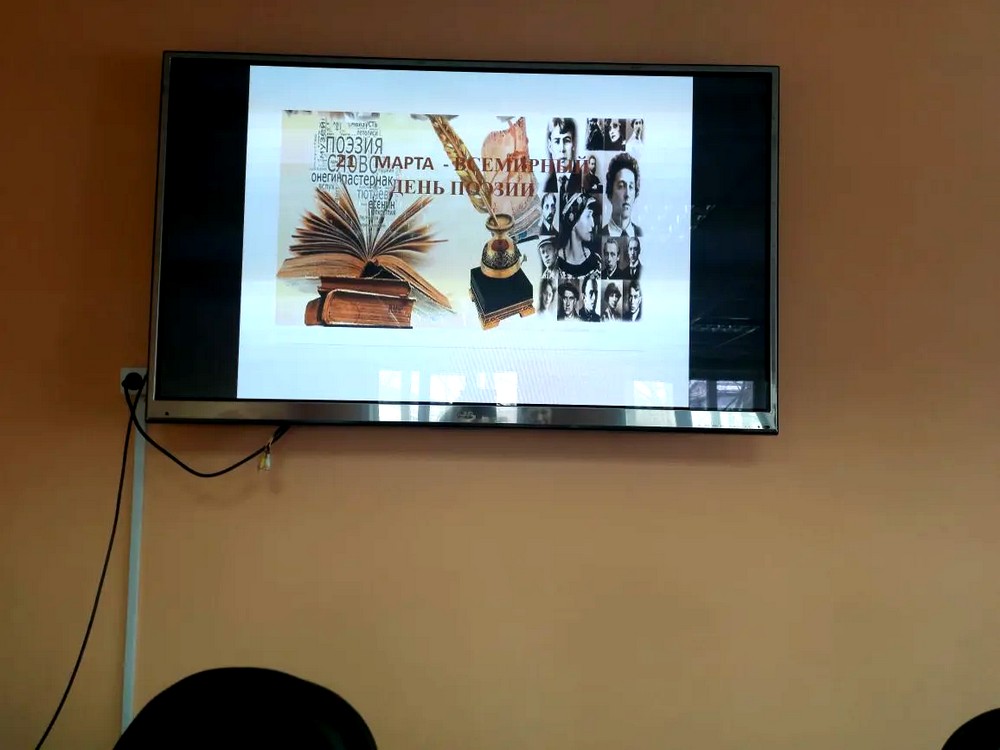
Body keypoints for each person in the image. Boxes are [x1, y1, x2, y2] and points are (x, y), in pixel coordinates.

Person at [555, 194, 601, 278]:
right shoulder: (555, 263)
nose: (593, 224)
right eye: (588, 216)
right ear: (574, 221)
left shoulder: (596, 261)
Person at [601, 152, 642, 238]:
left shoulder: (640, 234)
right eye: (621, 186)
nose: (627, 195)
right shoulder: (599, 236)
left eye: (631, 187)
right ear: (610, 193)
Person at [542, 118, 582, 197]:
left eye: (566, 141)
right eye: (557, 141)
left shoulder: (583, 179)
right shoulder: (548, 184)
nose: (562, 149)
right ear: (550, 146)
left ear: (573, 144)